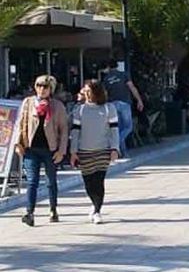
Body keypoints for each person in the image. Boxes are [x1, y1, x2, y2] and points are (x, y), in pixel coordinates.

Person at [14, 75, 69, 226]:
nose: (41, 89)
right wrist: (18, 143)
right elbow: (21, 123)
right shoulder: (28, 102)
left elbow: (64, 130)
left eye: (45, 86)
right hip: (31, 149)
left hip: (50, 149)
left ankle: (53, 209)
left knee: (51, 181)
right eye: (38, 85)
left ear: (51, 89)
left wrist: (61, 151)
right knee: (32, 181)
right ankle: (29, 212)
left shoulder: (57, 106)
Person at [70, 79, 119, 223]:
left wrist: (115, 148)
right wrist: (73, 152)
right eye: (85, 91)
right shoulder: (80, 109)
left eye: (89, 91)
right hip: (84, 151)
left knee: (99, 181)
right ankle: (94, 203)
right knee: (89, 183)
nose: (86, 94)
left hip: (102, 150)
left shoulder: (108, 108)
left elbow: (114, 130)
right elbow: (75, 132)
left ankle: (97, 210)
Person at [103, 63, 144, 158]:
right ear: (117, 66)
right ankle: (117, 143)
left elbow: (104, 94)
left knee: (119, 128)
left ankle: (123, 152)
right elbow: (132, 88)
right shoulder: (124, 75)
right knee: (128, 127)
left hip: (112, 104)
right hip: (124, 103)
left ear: (108, 67)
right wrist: (139, 100)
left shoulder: (106, 79)